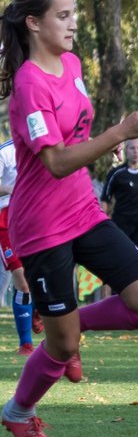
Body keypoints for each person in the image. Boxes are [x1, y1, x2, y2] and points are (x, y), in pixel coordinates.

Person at [0, 0, 138, 437]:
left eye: (74, 13)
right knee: (61, 345)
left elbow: (73, 135)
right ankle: (17, 411)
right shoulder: (28, 84)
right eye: (63, 15)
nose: (74, 23)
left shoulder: (71, 64)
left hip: (83, 212)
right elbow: (54, 161)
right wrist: (119, 133)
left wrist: (99, 145)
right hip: (42, 228)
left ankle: (71, 329)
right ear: (33, 24)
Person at [0, 136, 41, 354]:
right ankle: (25, 343)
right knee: (22, 281)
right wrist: (9, 188)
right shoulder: (5, 152)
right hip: (7, 219)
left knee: (42, 275)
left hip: (37, 217)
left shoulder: (43, 144)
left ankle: (36, 308)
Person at [101, 138, 138, 260]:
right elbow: (106, 199)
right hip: (122, 221)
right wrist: (102, 221)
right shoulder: (116, 173)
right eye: (132, 148)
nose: (135, 151)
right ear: (126, 151)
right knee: (121, 257)